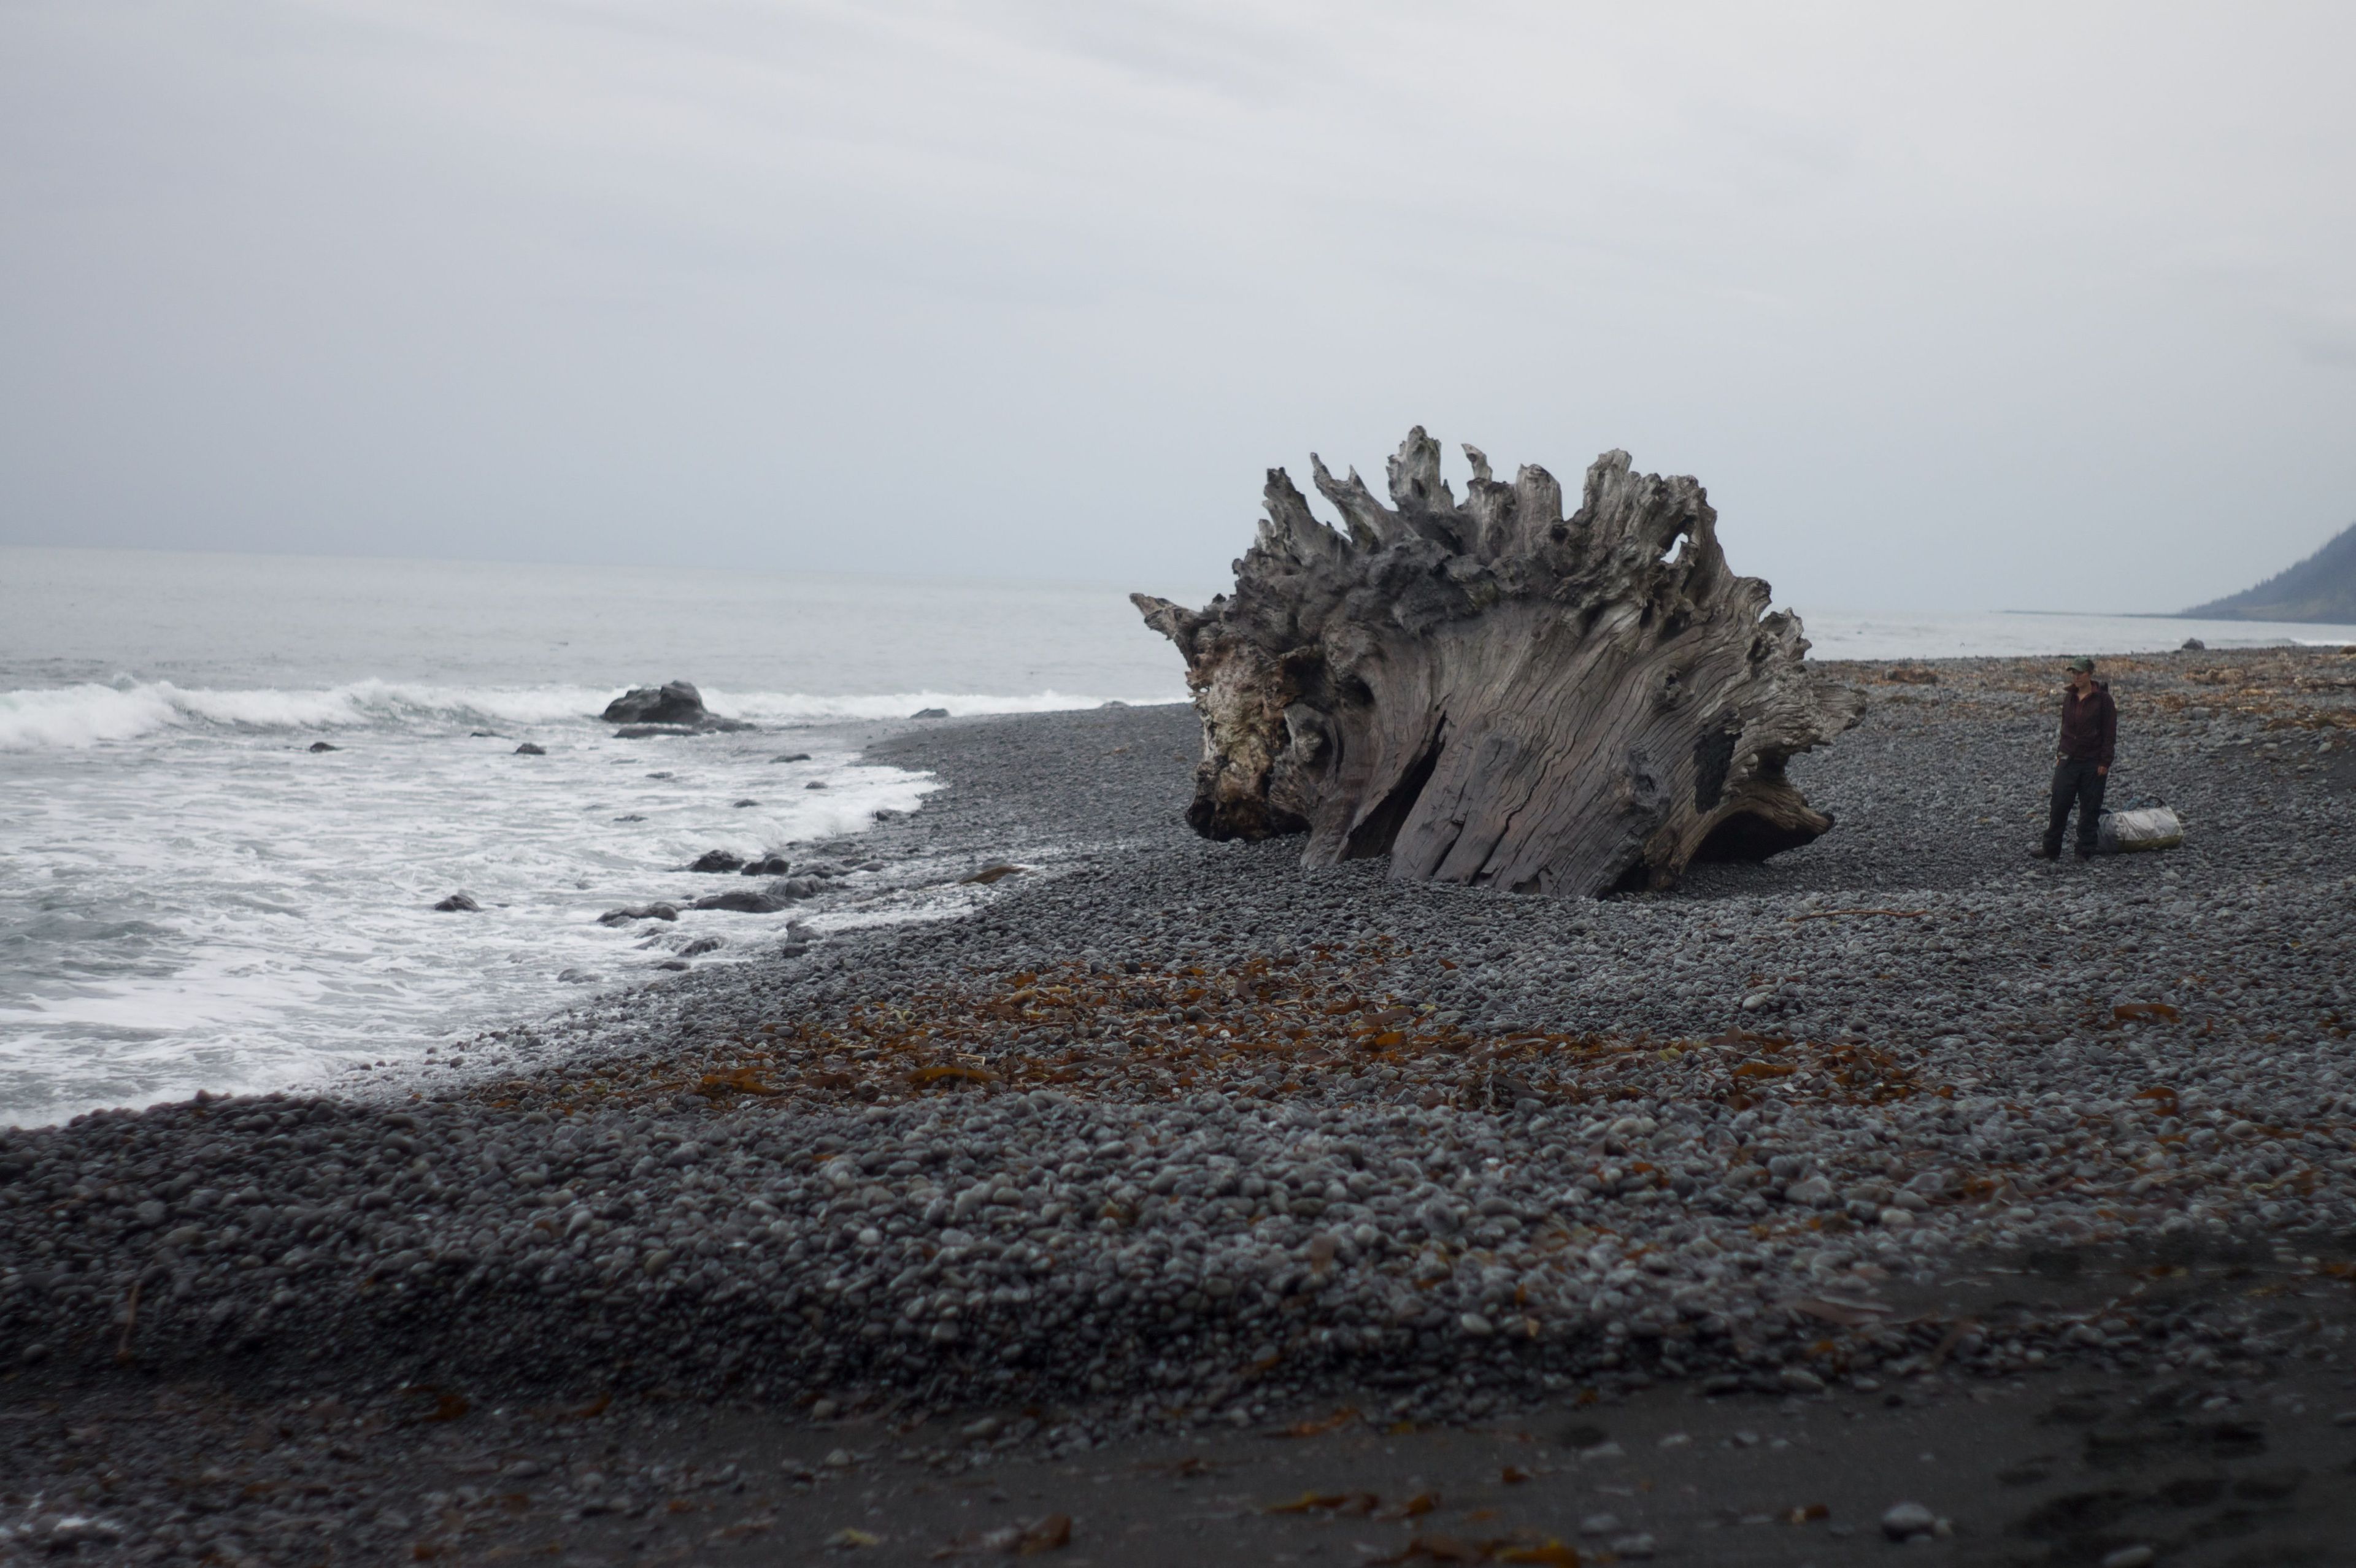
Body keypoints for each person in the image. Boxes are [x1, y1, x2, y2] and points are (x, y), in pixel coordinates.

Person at [2033, 656, 2116, 861]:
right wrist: (2061, 754)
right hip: (2068, 759)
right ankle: (2051, 848)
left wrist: (2105, 762)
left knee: (2090, 806)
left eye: (2080, 673)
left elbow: (2109, 733)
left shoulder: (2104, 700)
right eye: (2074, 673)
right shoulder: (2069, 697)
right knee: (2059, 802)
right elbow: (2065, 729)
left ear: (2090, 674)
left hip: (2093, 761)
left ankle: (2084, 849)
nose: (2076, 677)